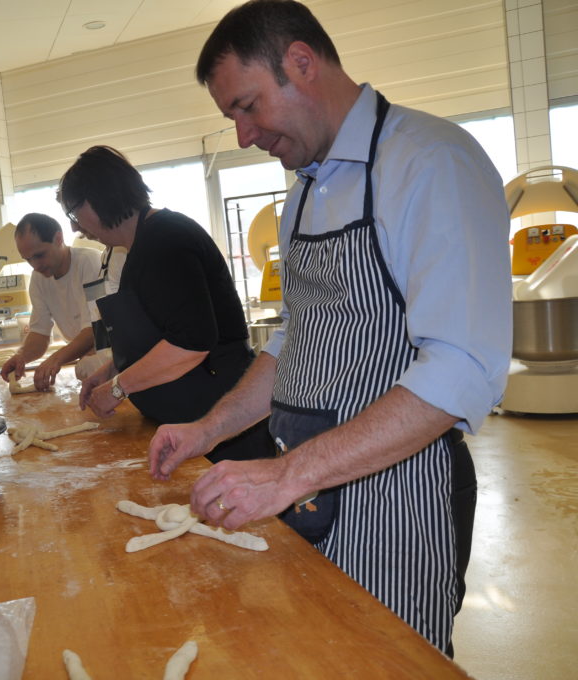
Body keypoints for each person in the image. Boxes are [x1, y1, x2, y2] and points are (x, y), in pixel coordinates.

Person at [146, 0, 511, 655]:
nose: (243, 135)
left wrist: (289, 476)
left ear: (302, 63)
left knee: (389, 660)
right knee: (321, 653)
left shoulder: (428, 163)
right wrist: (209, 429)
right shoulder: (304, 195)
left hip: (403, 495)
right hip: (313, 489)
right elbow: (294, 341)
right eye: (232, 116)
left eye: (247, 106)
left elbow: (462, 367)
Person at [59, 145, 273, 463]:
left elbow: (191, 344)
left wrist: (119, 387)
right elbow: (157, 335)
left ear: (99, 197)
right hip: (187, 424)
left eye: (74, 215)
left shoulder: (167, 241)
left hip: (219, 429)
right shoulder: (141, 246)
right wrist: (111, 369)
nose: (76, 228)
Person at [0, 213, 103, 390]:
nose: (35, 265)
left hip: (114, 356)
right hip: (88, 358)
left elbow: (95, 330)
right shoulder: (39, 279)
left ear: (58, 238)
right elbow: (40, 332)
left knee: (88, 369)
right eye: (28, 259)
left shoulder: (90, 263)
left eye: (39, 255)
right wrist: (22, 356)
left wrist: (55, 359)